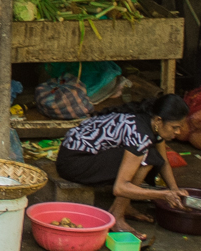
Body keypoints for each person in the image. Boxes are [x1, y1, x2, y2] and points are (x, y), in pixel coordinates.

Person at [56, 93, 191, 243]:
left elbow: (164, 161)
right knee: (148, 158)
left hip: (82, 154)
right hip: (75, 162)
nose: (178, 132)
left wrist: (174, 189)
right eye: (175, 127)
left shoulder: (152, 122)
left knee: (153, 156)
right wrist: (163, 195)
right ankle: (117, 215)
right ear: (159, 120)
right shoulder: (140, 133)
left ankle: (124, 205)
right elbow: (120, 188)